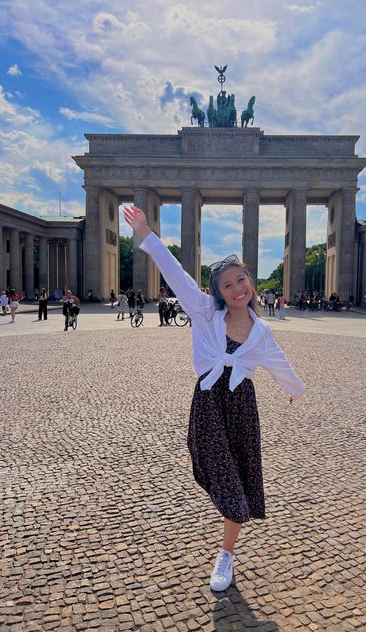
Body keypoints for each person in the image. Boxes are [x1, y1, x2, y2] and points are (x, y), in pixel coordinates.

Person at [123, 205, 305, 593]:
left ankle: (226, 553)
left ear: (250, 281)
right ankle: (229, 531)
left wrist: (293, 389)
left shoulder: (261, 330)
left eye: (242, 280)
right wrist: (147, 235)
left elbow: (278, 362)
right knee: (222, 472)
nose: (238, 289)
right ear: (217, 293)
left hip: (242, 407)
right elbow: (176, 274)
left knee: (239, 481)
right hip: (208, 403)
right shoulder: (203, 312)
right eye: (228, 285)